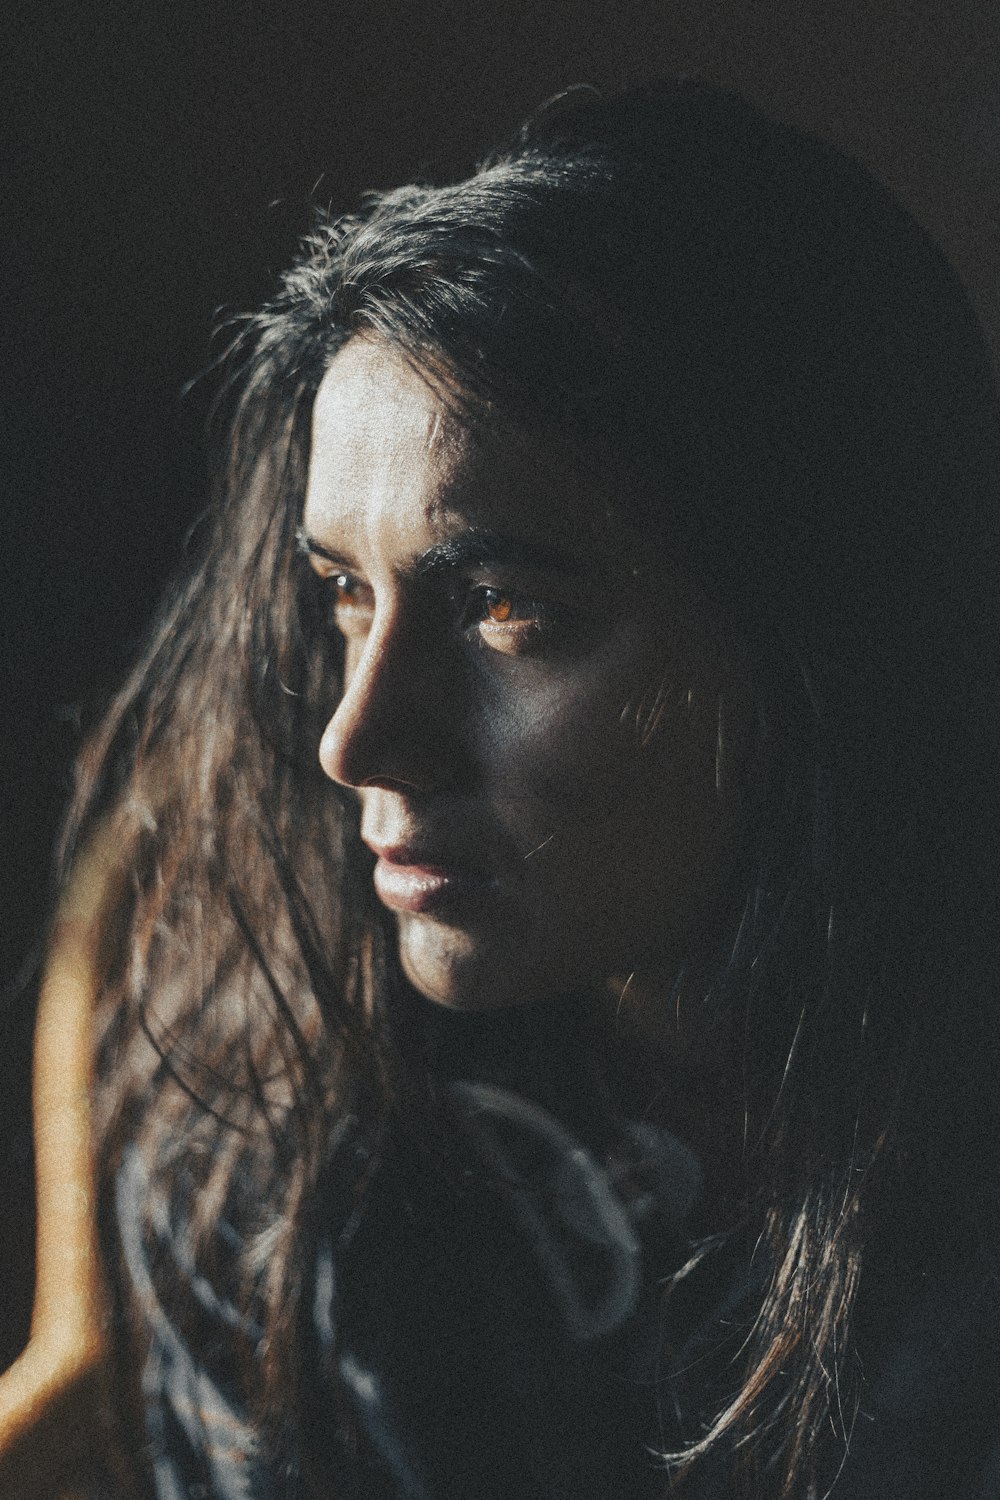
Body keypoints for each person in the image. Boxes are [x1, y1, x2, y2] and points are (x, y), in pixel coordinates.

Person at [36, 80, 1000, 1497]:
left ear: (829, 628)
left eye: (504, 608)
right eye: (343, 595)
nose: (356, 744)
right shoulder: (289, 1129)